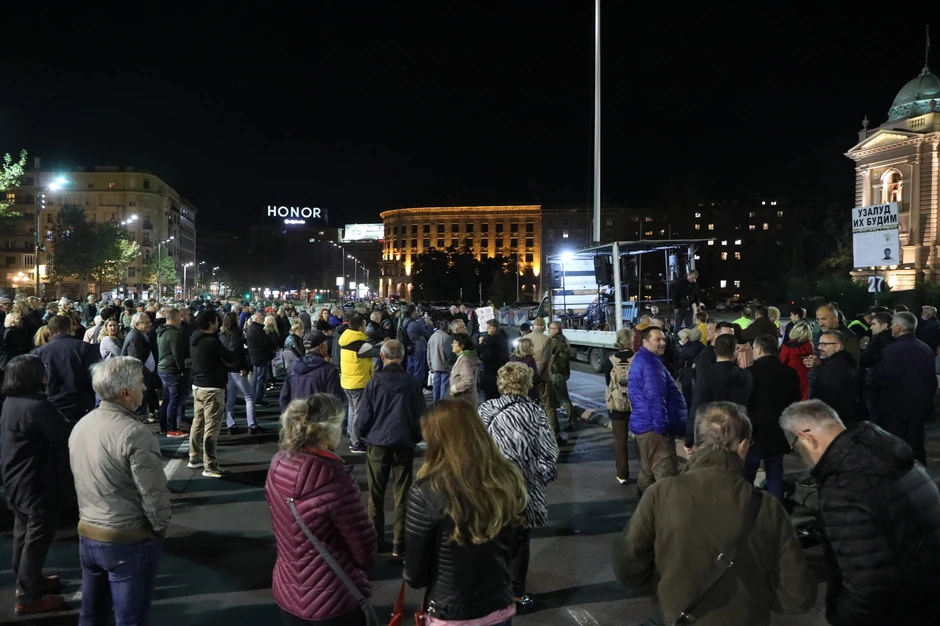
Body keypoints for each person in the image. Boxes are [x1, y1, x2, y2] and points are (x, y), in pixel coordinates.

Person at [614, 402, 816, 625]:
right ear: (742, 446)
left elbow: (627, 564)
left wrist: (662, 588)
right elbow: (797, 595)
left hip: (674, 617)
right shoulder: (767, 506)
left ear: (697, 444)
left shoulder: (660, 493)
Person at [781, 400, 940, 626]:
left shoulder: (844, 488)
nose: (800, 455)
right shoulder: (894, 456)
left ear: (806, 437)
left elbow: (866, 587)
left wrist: (842, 617)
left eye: (795, 447)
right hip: (926, 597)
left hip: (896, 612)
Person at [404, 399, 528, 625]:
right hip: (498, 606)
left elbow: (415, 574)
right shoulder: (507, 479)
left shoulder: (426, 492)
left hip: (450, 612)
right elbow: (515, 545)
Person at [70, 356, 171, 626]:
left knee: (91, 615)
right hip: (126, 538)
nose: (145, 388)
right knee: (131, 619)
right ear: (125, 392)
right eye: (141, 383)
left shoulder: (81, 425)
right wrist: (160, 527)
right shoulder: (134, 433)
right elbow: (153, 491)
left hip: (88, 532)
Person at [265, 394, 377, 626]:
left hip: (288, 590)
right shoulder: (334, 478)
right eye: (341, 424)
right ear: (327, 431)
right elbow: (364, 550)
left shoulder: (278, 464)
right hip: (332, 597)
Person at [479, 362, 558, 611]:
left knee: (493, 537)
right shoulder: (535, 413)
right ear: (527, 383)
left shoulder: (486, 410)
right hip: (524, 488)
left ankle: (491, 589)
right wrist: (539, 476)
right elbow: (549, 452)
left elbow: (475, 449)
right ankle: (515, 594)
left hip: (493, 486)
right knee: (520, 540)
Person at [1, 355, 73, 614]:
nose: (46, 373)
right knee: (37, 537)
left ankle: (28, 580)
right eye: (41, 370)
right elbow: (63, 436)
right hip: (36, 480)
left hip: (16, 478)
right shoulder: (37, 407)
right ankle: (28, 596)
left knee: (23, 532)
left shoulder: (11, 402)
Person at [355, 340, 426, 557]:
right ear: (402, 357)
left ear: (383, 356)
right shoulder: (412, 382)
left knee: (375, 495)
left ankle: (376, 540)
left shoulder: (374, 383)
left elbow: (363, 417)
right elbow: (421, 416)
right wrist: (415, 437)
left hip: (377, 443)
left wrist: (363, 435)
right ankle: (398, 542)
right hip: (403, 443)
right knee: (402, 494)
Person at [628, 326, 687, 493]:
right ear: (645, 342)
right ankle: (665, 516)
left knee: (647, 472)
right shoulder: (651, 365)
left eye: (663, 339)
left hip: (644, 426)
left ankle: (646, 513)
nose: (662, 343)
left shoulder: (642, 360)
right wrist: (662, 428)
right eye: (657, 340)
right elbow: (655, 398)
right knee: (666, 478)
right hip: (654, 429)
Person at [744, 334, 801, 501]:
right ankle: (776, 511)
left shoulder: (749, 373)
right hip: (779, 431)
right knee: (775, 473)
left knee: (747, 475)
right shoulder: (789, 373)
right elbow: (795, 405)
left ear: (759, 350)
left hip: (754, 433)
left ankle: (745, 509)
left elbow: (745, 404)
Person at [877, 311, 937, 464]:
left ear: (898, 327)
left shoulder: (891, 350)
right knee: (917, 444)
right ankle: (920, 476)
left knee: (895, 446)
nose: (890, 327)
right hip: (919, 406)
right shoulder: (925, 348)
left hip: (896, 406)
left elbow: (885, 378)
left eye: (892, 325)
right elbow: (931, 380)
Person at [189, 310, 239, 477]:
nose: (218, 324)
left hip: (198, 386)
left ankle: (194, 457)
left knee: (198, 423)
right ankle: (210, 465)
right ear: (211, 323)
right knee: (212, 427)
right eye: (216, 321)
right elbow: (230, 356)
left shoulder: (195, 338)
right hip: (212, 387)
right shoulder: (212, 342)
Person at [686, 334, 752, 452]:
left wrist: (689, 438)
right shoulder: (746, 375)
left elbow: (697, 406)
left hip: (713, 434)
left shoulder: (707, 375)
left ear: (715, 350)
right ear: (735, 351)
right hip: (738, 431)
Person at [31, 315, 99, 422]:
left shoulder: (39, 352)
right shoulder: (85, 348)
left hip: (52, 403)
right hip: (81, 404)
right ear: (69, 329)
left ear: (49, 331)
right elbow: (95, 376)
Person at [339, 315, 379, 454]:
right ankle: (357, 442)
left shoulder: (345, 340)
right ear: (361, 327)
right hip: (359, 382)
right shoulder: (361, 345)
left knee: (353, 410)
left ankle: (352, 435)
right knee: (358, 413)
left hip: (347, 381)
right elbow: (379, 353)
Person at [280, 334, 345, 411]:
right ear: (321, 346)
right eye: (326, 345)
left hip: (298, 417)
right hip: (319, 418)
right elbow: (335, 400)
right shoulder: (329, 370)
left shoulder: (292, 367)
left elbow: (284, 398)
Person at [807, 330, 858, 425]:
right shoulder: (845, 362)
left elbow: (823, 399)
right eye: (819, 344)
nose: (819, 348)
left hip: (829, 422)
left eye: (824, 344)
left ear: (837, 346)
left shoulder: (834, 368)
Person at [220, 312, 259, 436]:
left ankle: (230, 424)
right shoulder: (235, 333)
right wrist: (242, 367)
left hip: (227, 369)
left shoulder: (222, 334)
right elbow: (236, 352)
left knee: (230, 398)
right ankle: (252, 424)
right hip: (236, 369)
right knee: (249, 396)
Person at [604, 328, 634, 485]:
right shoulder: (637, 358)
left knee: (620, 441)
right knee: (641, 439)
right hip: (636, 405)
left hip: (616, 405)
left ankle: (622, 475)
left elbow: (607, 383)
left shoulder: (610, 359)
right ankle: (647, 472)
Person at [156, 308, 188, 437]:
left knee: (167, 399)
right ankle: (172, 428)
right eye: (180, 317)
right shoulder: (173, 333)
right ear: (175, 318)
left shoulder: (161, 332)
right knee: (174, 400)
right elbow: (177, 354)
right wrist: (182, 369)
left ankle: (164, 427)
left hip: (163, 368)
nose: (181, 319)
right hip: (171, 369)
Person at [544, 321, 576, 438]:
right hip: (563, 372)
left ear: (556, 330)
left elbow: (546, 355)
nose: (549, 330)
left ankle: (572, 422)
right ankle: (571, 420)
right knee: (562, 397)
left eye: (551, 328)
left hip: (556, 373)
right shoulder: (564, 339)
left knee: (563, 398)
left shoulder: (554, 341)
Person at [246, 311, 277, 406]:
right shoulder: (257, 329)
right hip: (261, 357)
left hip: (255, 357)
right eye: (261, 319)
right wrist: (272, 343)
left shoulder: (251, 328)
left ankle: (254, 397)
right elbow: (265, 342)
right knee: (261, 378)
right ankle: (258, 398)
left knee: (256, 378)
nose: (263, 320)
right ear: (256, 319)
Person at [779, 320, 813, 400]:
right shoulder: (809, 345)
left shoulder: (787, 347)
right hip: (806, 378)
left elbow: (782, 362)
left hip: (791, 378)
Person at [479, 319, 511, 401]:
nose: (487, 329)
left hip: (490, 373)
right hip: (500, 371)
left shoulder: (491, 339)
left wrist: (481, 342)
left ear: (493, 329)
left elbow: (479, 350)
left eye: (488, 328)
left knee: (489, 398)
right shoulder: (503, 336)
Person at [449, 332, 481, 410]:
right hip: (464, 398)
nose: (452, 344)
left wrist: (454, 389)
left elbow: (468, 380)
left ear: (462, 345)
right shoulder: (465, 358)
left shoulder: (465, 360)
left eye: (455, 343)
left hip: (464, 399)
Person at [427, 318, 452, 402]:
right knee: (444, 384)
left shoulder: (432, 336)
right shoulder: (446, 337)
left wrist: (430, 364)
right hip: (444, 365)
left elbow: (428, 352)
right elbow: (448, 353)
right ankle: (442, 402)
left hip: (435, 364)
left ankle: (435, 401)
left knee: (436, 383)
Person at [509, 336, 540, 401]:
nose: (533, 347)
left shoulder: (512, 358)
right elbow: (534, 376)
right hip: (528, 391)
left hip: (514, 389)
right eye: (531, 345)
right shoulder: (530, 359)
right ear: (527, 347)